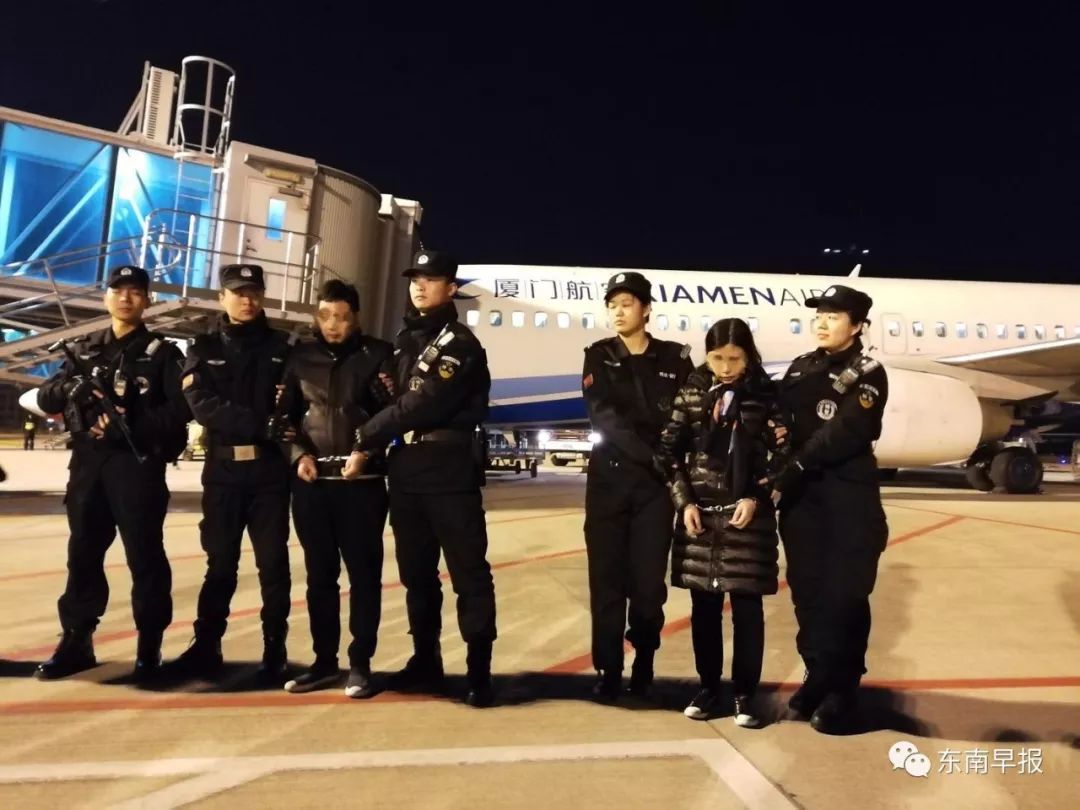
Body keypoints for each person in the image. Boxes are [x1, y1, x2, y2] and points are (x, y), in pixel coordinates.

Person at [343, 249, 496, 708]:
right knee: (417, 576)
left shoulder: (459, 344)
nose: (419, 286)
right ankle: (426, 660)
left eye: (430, 279)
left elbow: (422, 402)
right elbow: (392, 399)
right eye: (414, 279)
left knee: (469, 574)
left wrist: (364, 435)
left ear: (451, 288)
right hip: (407, 470)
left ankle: (479, 672)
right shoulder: (404, 340)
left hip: (449, 469)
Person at [34, 265, 189, 681]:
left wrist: (132, 424)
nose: (125, 298)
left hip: (136, 466)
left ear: (147, 300)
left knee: (145, 556)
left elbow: (181, 410)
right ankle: (77, 639)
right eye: (118, 290)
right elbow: (47, 396)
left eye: (135, 291)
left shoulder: (163, 354)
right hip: (89, 468)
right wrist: (73, 389)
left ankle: (149, 646)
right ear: (106, 297)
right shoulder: (83, 350)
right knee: (83, 554)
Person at [765, 284, 889, 734]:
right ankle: (816, 674)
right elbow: (779, 415)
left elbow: (845, 431)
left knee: (845, 597)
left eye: (833, 316)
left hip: (847, 499)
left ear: (857, 326)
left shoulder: (868, 373)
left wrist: (795, 463)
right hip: (804, 502)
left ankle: (843, 688)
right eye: (819, 314)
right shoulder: (801, 367)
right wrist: (774, 435)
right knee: (808, 593)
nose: (821, 322)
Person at [656, 318, 786, 726]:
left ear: (749, 356)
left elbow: (784, 454)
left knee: (747, 610)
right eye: (717, 358)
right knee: (705, 609)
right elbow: (667, 451)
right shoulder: (692, 391)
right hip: (701, 517)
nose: (726, 368)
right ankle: (709, 687)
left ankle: (746, 694)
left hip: (747, 519)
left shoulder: (766, 395)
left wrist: (757, 497)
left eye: (735, 359)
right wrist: (684, 502)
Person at [171, 263, 296, 683]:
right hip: (223, 472)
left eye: (254, 292)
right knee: (220, 564)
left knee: (273, 565)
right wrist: (261, 423)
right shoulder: (202, 348)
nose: (247, 300)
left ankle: (275, 650)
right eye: (239, 292)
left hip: (269, 473)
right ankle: (206, 646)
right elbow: (202, 405)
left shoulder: (284, 347)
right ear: (222, 297)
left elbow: (297, 402)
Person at [581, 271, 694, 702]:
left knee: (648, 588)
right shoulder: (599, 356)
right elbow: (606, 420)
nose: (617, 312)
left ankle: (644, 657)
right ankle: (608, 668)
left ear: (646, 309)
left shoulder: (675, 359)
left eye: (626, 304)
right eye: (612, 305)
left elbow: (688, 416)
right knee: (607, 583)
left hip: (653, 491)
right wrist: (656, 456)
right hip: (609, 483)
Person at [279, 280, 393, 698]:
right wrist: (298, 456)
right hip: (314, 487)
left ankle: (361, 665)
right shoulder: (299, 357)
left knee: (364, 577)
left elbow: (392, 415)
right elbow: (284, 417)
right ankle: (324, 663)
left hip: (361, 485)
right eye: (326, 316)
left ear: (355, 319)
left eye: (342, 317)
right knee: (319, 577)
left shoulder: (378, 355)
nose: (333, 325)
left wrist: (367, 452)